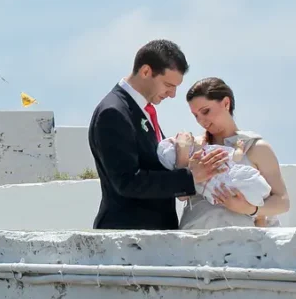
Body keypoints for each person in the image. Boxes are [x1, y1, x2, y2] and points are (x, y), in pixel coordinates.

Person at [87, 39, 228, 229]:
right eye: (168, 85)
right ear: (146, 72)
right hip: (127, 237)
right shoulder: (113, 112)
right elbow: (128, 181)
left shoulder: (140, 110)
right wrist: (189, 177)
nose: (172, 94)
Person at [174, 77, 290, 229]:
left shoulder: (256, 147)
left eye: (206, 111)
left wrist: (250, 209)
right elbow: (181, 195)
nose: (201, 120)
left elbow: (282, 201)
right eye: (196, 115)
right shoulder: (192, 147)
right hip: (195, 241)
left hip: (243, 244)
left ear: (226, 103)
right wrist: (184, 159)